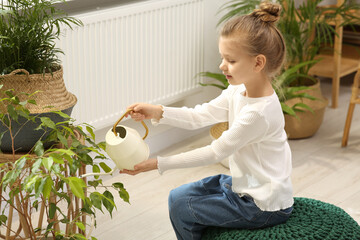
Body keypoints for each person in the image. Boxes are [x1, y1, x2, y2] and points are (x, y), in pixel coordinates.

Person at [121, 2, 294, 239]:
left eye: (231, 60)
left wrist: (157, 163)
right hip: (245, 185)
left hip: (262, 204)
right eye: (222, 57)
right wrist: (157, 111)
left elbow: (215, 152)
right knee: (176, 196)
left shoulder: (258, 113)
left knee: (182, 208)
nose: (222, 66)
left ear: (258, 63)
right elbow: (199, 115)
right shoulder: (238, 90)